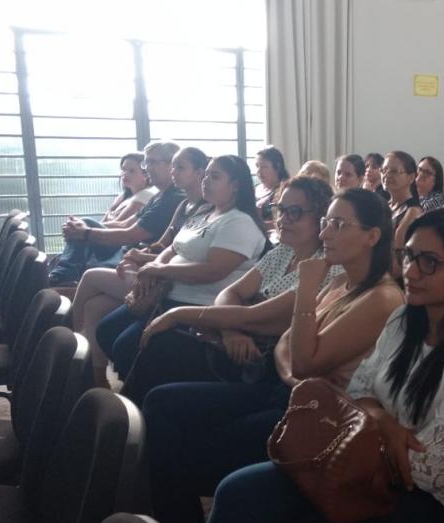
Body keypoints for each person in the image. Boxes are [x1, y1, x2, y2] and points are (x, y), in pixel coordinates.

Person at [196, 207, 444, 523]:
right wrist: (385, 423)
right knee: (237, 492)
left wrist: (370, 420)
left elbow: (433, 472)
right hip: (360, 465)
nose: (411, 271)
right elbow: (359, 390)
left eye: (430, 262)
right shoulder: (405, 320)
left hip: (421, 505)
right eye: (408, 256)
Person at [141, 188, 403, 523]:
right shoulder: (340, 282)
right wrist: (294, 372)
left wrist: (307, 291)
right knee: (161, 403)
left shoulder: (382, 298)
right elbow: (287, 346)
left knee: (184, 457)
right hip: (287, 392)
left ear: (372, 236)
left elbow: (304, 360)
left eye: (338, 225)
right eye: (326, 222)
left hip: (318, 418)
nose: (325, 232)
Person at [119, 176, 342, 404]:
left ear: (320, 218)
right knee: (154, 348)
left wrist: (176, 314)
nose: (282, 219)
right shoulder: (284, 251)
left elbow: (256, 316)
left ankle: (131, 420)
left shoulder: (325, 267)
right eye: (280, 209)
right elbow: (229, 293)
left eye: (294, 212)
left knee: (159, 377)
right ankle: (128, 418)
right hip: (236, 343)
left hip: (265, 364)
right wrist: (231, 333)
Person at [96, 155, 266, 381]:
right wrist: (154, 265)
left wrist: (159, 271)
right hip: (164, 295)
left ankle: (143, 394)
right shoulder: (203, 212)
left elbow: (213, 270)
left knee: (127, 347)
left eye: (215, 177)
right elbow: (173, 248)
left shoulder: (239, 222)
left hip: (197, 305)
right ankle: (137, 384)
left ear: (235, 185)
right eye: (206, 175)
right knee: (106, 330)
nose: (206, 180)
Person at [71, 146, 211, 387]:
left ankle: (69, 345)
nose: (171, 171)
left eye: (178, 167)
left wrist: (146, 262)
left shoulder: (190, 205)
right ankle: (97, 378)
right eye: (150, 163)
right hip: (155, 272)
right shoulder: (181, 205)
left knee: (91, 276)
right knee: (94, 307)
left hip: (167, 284)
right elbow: (163, 245)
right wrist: (140, 256)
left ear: (199, 173)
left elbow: (181, 254)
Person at [48, 141, 184, 286]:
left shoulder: (171, 199)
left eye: (153, 162)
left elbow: (130, 235)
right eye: (146, 163)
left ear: (171, 165)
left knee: (85, 259)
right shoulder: (158, 195)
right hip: (126, 250)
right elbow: (125, 224)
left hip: (135, 254)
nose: (148, 168)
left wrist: (85, 232)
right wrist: (81, 227)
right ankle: (63, 276)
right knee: (86, 222)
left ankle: (61, 278)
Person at [382, 151, 423, 277]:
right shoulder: (384, 206)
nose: (387, 175)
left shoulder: (413, 211)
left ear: (411, 177)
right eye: (384, 170)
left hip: (394, 279)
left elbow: (399, 263)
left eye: (394, 171)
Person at [100, 152, 154, 228]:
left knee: (86, 222)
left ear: (146, 174)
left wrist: (109, 216)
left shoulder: (145, 195)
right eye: (123, 169)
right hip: (103, 233)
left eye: (132, 171)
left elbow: (117, 225)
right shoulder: (123, 195)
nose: (125, 174)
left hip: (116, 234)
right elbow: (102, 222)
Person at [255, 146, 290, 232]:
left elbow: (286, 221)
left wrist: (257, 224)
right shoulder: (256, 188)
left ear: (277, 167)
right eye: (257, 166)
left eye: (264, 167)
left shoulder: (285, 190)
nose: (259, 171)